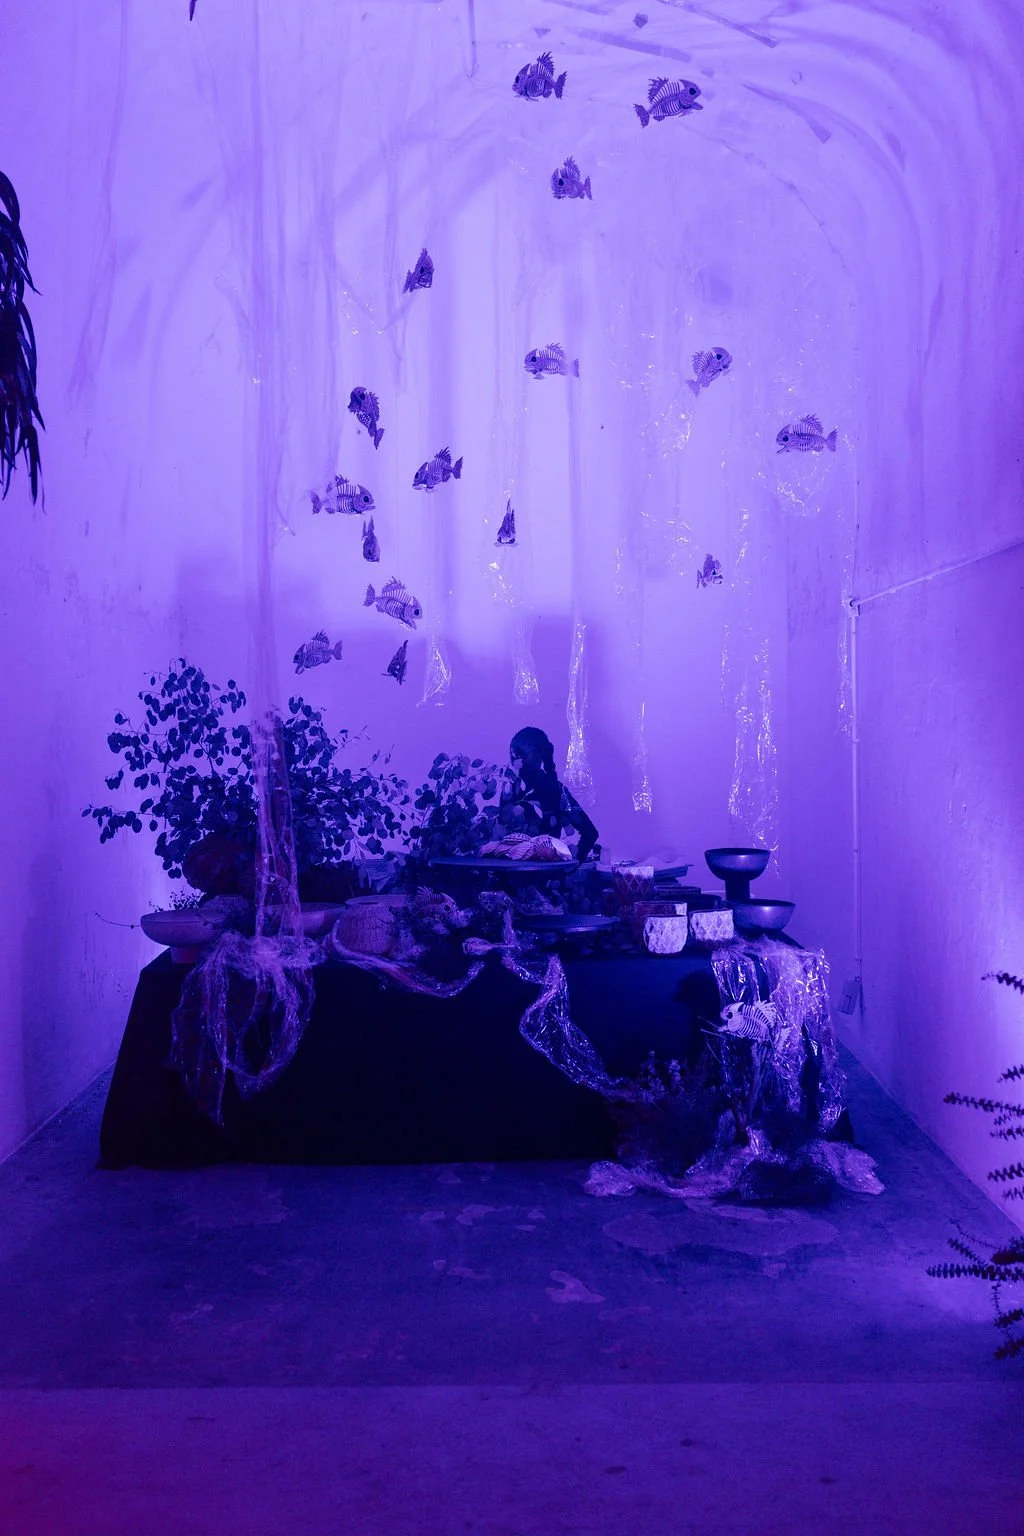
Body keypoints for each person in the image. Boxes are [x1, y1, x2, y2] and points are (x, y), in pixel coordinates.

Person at [501, 727, 600, 862]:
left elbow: (590, 833)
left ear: (537, 758)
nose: (515, 763)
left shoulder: (555, 790)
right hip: (520, 871)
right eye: (513, 757)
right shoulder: (511, 787)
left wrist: (568, 863)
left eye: (518, 757)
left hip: (539, 872)